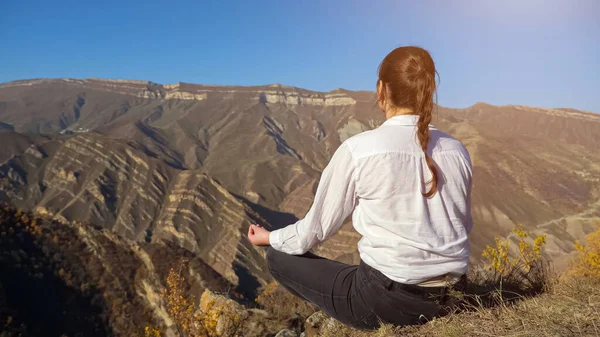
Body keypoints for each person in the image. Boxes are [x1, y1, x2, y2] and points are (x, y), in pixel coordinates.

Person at [247, 46, 472, 330]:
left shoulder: (360, 150)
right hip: (455, 295)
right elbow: (463, 224)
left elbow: (313, 232)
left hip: (390, 301)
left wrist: (269, 237)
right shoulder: (457, 150)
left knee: (278, 258)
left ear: (382, 89)